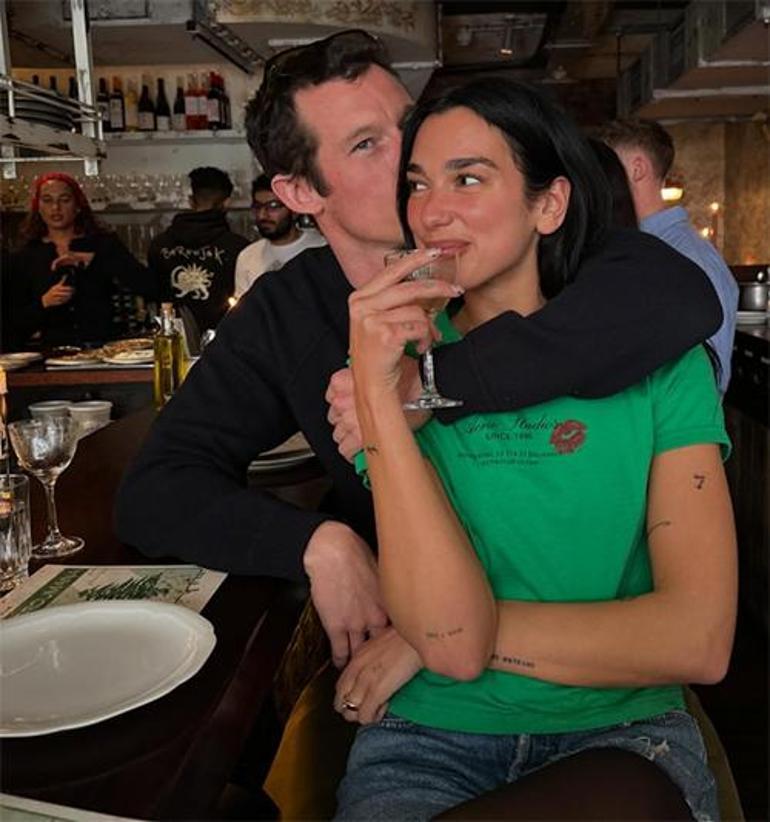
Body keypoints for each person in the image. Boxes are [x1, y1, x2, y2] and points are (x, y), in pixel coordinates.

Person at [115, 30, 722, 686]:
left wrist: (425, 383)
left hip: (582, 660)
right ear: (299, 192)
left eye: (407, 124)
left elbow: (683, 297)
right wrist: (319, 543)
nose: (413, 152)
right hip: (431, 677)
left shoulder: (555, 262)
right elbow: (157, 489)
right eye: (366, 144)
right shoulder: (290, 313)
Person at [335, 77, 736, 821]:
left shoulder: (662, 360)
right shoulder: (393, 367)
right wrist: (376, 394)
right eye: (418, 184)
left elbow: (698, 638)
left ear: (549, 205)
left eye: (468, 178)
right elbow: (446, 633)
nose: (431, 211)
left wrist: (437, 636)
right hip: (427, 736)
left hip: (622, 733)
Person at [600, 118, 738, 394]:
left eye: (608, 170)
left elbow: (705, 381)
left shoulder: (688, 257)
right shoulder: (639, 248)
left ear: (637, 169)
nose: (600, 182)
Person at [6, 172, 154, 348]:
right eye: (47, 200)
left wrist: (95, 260)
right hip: (53, 353)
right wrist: (44, 302)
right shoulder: (26, 254)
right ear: (38, 207)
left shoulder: (103, 244)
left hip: (106, 350)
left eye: (64, 200)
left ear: (78, 205)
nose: (56, 207)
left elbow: (148, 286)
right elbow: (12, 325)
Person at [147, 166, 249, 334]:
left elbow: (153, 296)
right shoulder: (239, 247)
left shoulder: (159, 245)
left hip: (173, 339)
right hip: (225, 340)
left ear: (191, 200)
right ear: (227, 202)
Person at [234, 173, 326, 298]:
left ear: (294, 209)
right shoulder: (248, 257)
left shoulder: (321, 247)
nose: (262, 215)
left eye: (273, 206)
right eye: (258, 207)